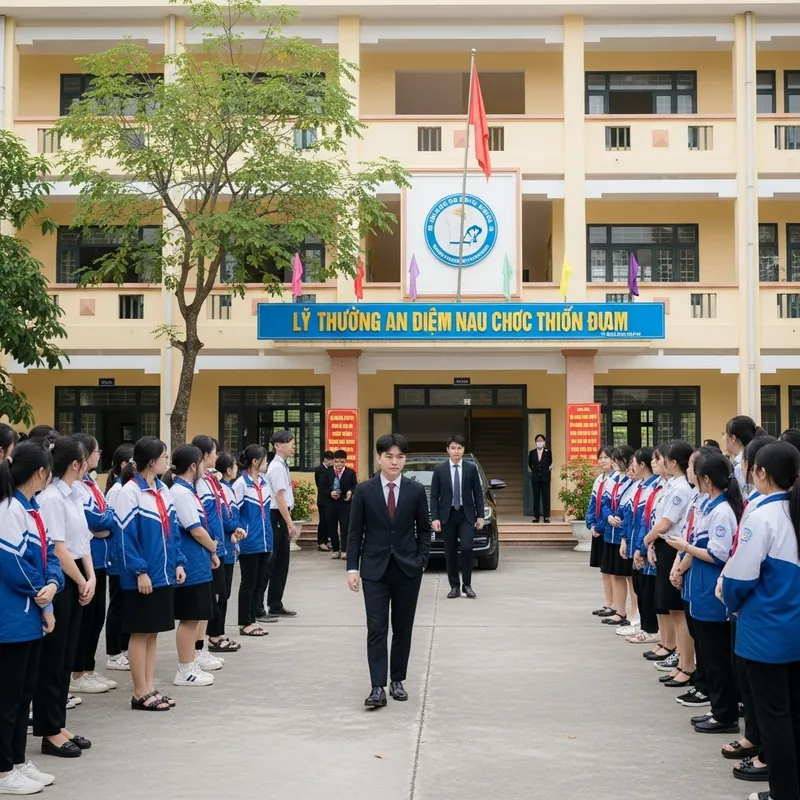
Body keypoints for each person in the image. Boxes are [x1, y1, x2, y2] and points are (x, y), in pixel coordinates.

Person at [722, 441, 800, 800]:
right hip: (792, 631)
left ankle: (782, 792)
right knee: (793, 715)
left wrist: (730, 600)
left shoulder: (762, 517)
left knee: (775, 719)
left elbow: (739, 580)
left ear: (762, 472)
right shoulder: (791, 512)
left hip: (767, 634)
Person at [347, 433, 431, 708]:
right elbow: (355, 532)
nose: (395, 462)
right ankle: (377, 687)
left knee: (403, 628)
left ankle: (397, 680)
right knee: (376, 628)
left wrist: (422, 560)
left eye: (400, 457)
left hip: (408, 569)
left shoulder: (415, 490)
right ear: (379, 458)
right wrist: (352, 568)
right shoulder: (364, 490)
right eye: (389, 456)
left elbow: (424, 529)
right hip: (374, 570)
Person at [667, 448, 743, 734]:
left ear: (706, 479)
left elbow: (718, 554)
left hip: (712, 593)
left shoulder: (721, 511)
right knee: (709, 656)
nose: (691, 475)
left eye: (694, 471)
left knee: (717, 658)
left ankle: (725, 715)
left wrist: (685, 548)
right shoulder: (708, 505)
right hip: (700, 589)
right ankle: (717, 709)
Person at [0, 440, 61, 793]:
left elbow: (49, 555)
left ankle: (17, 761)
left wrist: (52, 585)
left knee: (24, 695)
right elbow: (12, 565)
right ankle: (3, 771)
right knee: (7, 699)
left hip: (30, 617)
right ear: (41, 472)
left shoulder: (33, 510)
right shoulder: (8, 510)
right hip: (11, 619)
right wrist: (44, 596)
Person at [33, 437, 94, 758]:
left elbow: (82, 541)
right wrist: (82, 580)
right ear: (75, 464)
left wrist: (91, 577)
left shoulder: (74, 494)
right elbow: (58, 548)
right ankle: (49, 729)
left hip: (79, 576)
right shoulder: (52, 498)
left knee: (67, 656)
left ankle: (59, 723)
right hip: (61, 579)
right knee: (53, 659)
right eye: (86, 459)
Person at [116, 436, 185, 712]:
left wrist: (178, 562)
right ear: (152, 461)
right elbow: (125, 537)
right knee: (140, 632)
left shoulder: (162, 489)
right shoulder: (130, 492)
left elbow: (173, 531)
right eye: (164, 456)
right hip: (143, 577)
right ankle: (139, 692)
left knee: (152, 632)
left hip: (163, 574)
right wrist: (139, 571)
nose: (167, 461)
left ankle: (149, 686)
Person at [165, 445, 220, 687]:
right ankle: (185, 669)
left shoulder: (187, 490)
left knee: (196, 616)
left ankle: (191, 663)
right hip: (190, 564)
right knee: (189, 618)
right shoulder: (181, 493)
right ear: (193, 466)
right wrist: (213, 547)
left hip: (198, 562)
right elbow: (195, 530)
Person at [643, 441, 695, 688]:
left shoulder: (681, 488)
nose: (659, 462)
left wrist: (647, 539)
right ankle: (681, 663)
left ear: (673, 462)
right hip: (665, 546)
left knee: (677, 610)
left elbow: (666, 522)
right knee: (672, 609)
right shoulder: (671, 485)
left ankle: (687, 665)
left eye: (662, 458)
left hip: (674, 546)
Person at [70, 433, 117, 695]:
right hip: (84, 559)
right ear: (85, 455)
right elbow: (94, 520)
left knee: (97, 617)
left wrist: (103, 524)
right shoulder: (75, 486)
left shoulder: (91, 482)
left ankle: (87, 668)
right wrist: (102, 524)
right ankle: (77, 672)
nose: (100, 455)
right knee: (85, 619)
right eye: (97, 451)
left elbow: (109, 514)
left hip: (99, 559)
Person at [191, 436, 235, 664]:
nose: (217, 456)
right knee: (204, 603)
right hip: (208, 548)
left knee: (214, 598)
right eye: (215, 452)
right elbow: (201, 521)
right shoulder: (197, 483)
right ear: (205, 455)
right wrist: (211, 547)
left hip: (217, 546)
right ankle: (196, 651)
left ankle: (200, 648)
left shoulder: (209, 480)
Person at [430, 434, 485, 599]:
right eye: (453, 448)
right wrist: (435, 517)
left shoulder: (471, 468)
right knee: (450, 551)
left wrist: (480, 516)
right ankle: (454, 586)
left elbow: (478, 493)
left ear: (463, 450)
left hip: (466, 515)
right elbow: (434, 496)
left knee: (467, 548)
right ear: (447, 450)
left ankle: (467, 585)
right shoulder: (439, 470)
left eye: (459, 448)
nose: (456, 451)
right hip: (447, 516)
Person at [233, 444, 273, 637]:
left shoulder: (264, 482)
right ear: (255, 462)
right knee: (248, 583)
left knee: (259, 582)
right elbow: (234, 512)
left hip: (265, 541)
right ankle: (245, 622)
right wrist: (241, 532)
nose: (267, 464)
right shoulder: (241, 484)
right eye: (265, 460)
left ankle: (253, 620)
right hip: (249, 542)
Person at [208, 452, 245, 653]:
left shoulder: (227, 489)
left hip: (228, 546)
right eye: (235, 466)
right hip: (222, 546)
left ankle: (219, 633)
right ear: (229, 470)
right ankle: (215, 635)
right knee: (220, 593)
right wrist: (235, 528)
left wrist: (236, 528)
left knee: (224, 592)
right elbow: (226, 518)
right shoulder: (221, 489)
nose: (237, 469)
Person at [103, 443, 133, 673]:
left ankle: (123, 648)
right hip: (116, 556)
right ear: (124, 464)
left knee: (125, 605)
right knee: (118, 604)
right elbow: (113, 524)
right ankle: (113, 653)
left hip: (124, 556)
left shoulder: (126, 488)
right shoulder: (117, 490)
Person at [600, 446, 635, 626]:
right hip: (611, 534)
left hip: (623, 533)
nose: (613, 462)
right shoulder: (612, 478)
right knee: (616, 574)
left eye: (617, 459)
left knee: (630, 576)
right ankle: (620, 611)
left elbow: (629, 508)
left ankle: (634, 613)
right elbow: (604, 502)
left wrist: (619, 519)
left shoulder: (632, 481)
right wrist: (608, 516)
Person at [263, 431, 297, 618]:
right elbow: (279, 497)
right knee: (271, 563)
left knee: (281, 564)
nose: (293, 446)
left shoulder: (282, 465)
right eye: (290, 443)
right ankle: (259, 607)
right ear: (277, 445)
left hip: (280, 515)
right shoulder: (276, 467)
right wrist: (290, 523)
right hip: (276, 516)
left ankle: (275, 604)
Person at [587, 445, 614, 615]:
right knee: (603, 569)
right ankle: (608, 602)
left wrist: (600, 527)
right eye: (601, 457)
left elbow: (608, 507)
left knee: (611, 570)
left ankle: (615, 605)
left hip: (607, 530)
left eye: (606, 457)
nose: (602, 460)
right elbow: (593, 503)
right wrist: (591, 524)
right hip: (597, 529)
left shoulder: (616, 479)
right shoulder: (599, 479)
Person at [320, 450, 357, 559]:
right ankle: (336, 550)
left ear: (345, 461)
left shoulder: (350, 472)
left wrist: (351, 491)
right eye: (337, 462)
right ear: (334, 461)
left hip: (345, 503)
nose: (339, 464)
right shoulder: (327, 472)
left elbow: (355, 486)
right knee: (332, 527)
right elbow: (322, 487)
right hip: (331, 504)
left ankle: (345, 550)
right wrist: (330, 493)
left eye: (341, 462)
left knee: (345, 527)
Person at [723, 416, 765, 493]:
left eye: (725, 434)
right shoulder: (756, 457)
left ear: (733, 438)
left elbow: (743, 495)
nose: (724, 438)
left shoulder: (741, 465)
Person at [527, 434, 553, 523]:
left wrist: (545, 471)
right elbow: (530, 464)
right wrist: (535, 471)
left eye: (541, 440)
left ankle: (546, 517)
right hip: (535, 478)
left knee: (545, 497)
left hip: (545, 478)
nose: (539, 442)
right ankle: (536, 517)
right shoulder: (532, 452)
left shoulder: (548, 452)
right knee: (536, 497)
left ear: (544, 442)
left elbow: (549, 462)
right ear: (535, 442)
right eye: (538, 440)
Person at [315, 451, 335, 551]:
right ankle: (321, 542)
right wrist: (330, 492)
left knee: (329, 521)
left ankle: (327, 540)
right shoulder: (320, 470)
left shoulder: (331, 469)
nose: (332, 462)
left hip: (330, 499)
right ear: (325, 459)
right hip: (323, 500)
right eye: (330, 460)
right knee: (323, 521)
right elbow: (320, 485)